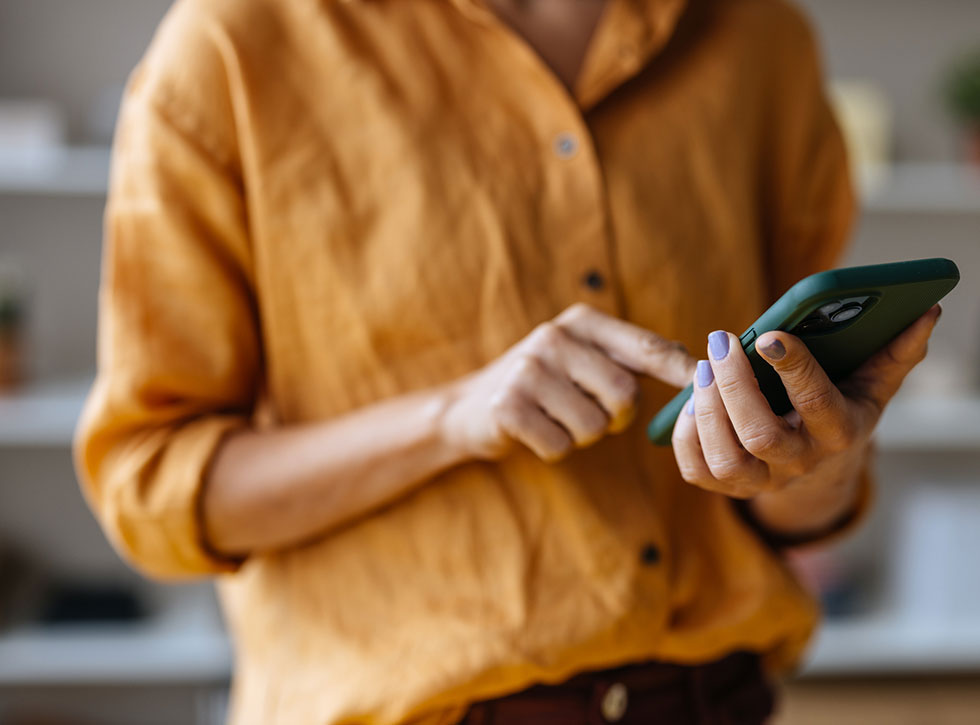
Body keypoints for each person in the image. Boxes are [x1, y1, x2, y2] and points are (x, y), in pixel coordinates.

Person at [74, 0, 940, 723]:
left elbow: (803, 508)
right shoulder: (234, 45)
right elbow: (150, 483)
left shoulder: (761, 38)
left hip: (717, 698)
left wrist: (818, 456)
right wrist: (450, 418)